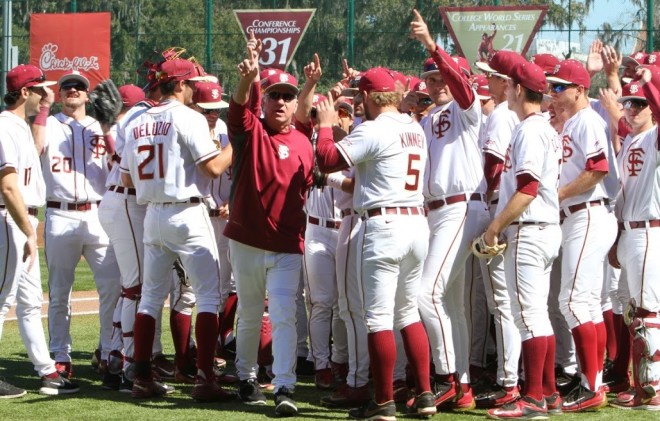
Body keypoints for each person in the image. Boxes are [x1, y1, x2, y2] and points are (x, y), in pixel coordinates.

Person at [315, 66, 435, 420]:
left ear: (367, 97)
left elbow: (326, 158)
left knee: (379, 318)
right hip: (416, 223)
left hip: (383, 224)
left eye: (359, 97)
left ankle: (383, 402)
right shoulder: (414, 127)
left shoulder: (373, 127)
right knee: (408, 312)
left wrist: (324, 125)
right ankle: (425, 394)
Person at [120, 58, 233, 402]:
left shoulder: (136, 120)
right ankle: (204, 379)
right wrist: (236, 144)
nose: (196, 87)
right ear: (181, 85)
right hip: (187, 211)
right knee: (209, 295)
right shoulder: (189, 117)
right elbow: (214, 167)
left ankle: (141, 377)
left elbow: (126, 177)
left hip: (153, 213)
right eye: (192, 82)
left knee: (151, 297)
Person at [225, 34, 314, 416]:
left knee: (283, 315)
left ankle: (284, 386)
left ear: (296, 103)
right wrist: (249, 75)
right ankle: (245, 377)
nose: (279, 101)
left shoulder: (304, 140)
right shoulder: (250, 132)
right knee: (247, 313)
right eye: (274, 95)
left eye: (286, 96)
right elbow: (238, 108)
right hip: (246, 240)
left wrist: (310, 86)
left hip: (286, 244)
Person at [410, 9, 489, 408]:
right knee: (452, 304)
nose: (437, 83)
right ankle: (462, 385)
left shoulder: (465, 110)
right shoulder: (426, 119)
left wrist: (432, 46)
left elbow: (462, 87)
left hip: (462, 207)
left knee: (426, 294)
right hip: (437, 211)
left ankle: (443, 378)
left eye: (441, 76)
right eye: (431, 77)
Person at [481, 58, 563, 420]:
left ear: (517, 89)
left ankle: (532, 398)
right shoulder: (543, 127)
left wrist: (496, 225)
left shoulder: (530, 129)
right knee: (537, 316)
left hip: (529, 228)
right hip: (546, 227)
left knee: (527, 316)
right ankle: (547, 392)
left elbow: (527, 188)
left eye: (509, 85)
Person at [0, 64, 79, 397]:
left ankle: (47, 372)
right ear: (23, 93)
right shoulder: (4, 126)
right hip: (9, 218)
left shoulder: (20, 125)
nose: (45, 93)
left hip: (23, 219)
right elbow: (7, 186)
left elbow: (34, 149)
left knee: (30, 302)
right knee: (2, 301)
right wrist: (28, 232)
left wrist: (45, 109)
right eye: (39, 89)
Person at [36, 70, 121, 379]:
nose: (73, 90)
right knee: (59, 292)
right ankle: (60, 354)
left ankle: (108, 350)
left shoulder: (101, 126)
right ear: (60, 94)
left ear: (88, 95)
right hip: (59, 214)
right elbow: (35, 150)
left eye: (79, 87)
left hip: (99, 214)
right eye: (67, 86)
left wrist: (109, 126)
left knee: (111, 287)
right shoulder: (49, 125)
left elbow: (120, 162)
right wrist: (43, 110)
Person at [547, 59, 617, 412]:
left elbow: (598, 169)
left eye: (560, 87)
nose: (553, 92)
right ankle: (594, 380)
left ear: (580, 89)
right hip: (582, 214)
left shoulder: (587, 118)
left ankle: (591, 386)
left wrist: (557, 195)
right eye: (551, 87)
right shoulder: (572, 121)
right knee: (585, 303)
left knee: (572, 302)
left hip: (587, 212)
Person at [472, 51, 524, 409]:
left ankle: (510, 381)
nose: (487, 81)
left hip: (499, 209)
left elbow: (493, 167)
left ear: (507, 83)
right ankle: (511, 376)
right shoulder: (510, 115)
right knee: (504, 303)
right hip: (509, 210)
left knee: (502, 302)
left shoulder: (502, 116)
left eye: (492, 76)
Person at [608, 72, 660, 410]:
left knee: (646, 311)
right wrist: (616, 239)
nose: (632, 109)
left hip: (649, 230)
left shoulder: (656, 135)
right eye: (628, 103)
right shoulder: (628, 141)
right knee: (633, 311)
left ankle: (652, 387)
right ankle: (643, 384)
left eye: (639, 103)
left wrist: (650, 86)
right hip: (628, 230)